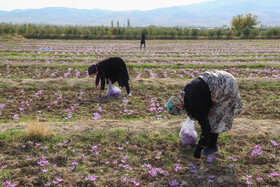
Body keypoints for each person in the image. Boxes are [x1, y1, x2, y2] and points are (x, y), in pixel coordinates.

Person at [167, 70, 242, 158]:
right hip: (219, 77)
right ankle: (209, 144)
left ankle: (212, 146)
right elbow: (205, 100)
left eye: (181, 111)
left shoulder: (194, 104)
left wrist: (199, 148)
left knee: (214, 118)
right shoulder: (185, 93)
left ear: (181, 107)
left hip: (226, 86)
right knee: (210, 115)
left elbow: (206, 127)